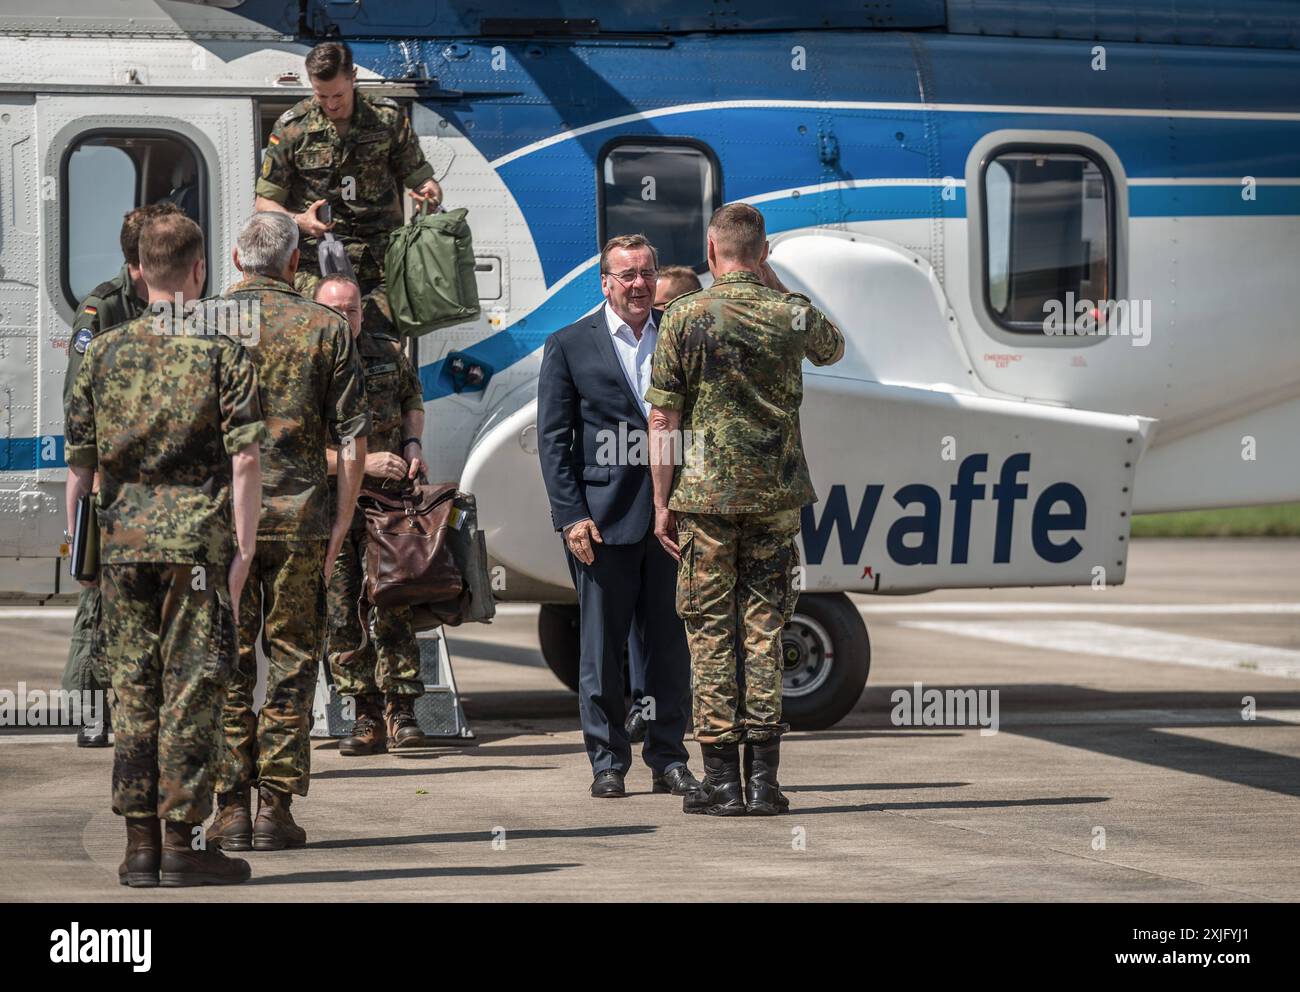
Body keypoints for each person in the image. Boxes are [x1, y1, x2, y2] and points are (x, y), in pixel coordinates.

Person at [64, 211, 266, 886]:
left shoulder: (103, 351)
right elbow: (245, 465)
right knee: (191, 691)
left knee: (132, 692)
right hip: (196, 550)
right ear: (199, 271)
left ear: (141, 271)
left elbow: (81, 470)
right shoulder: (223, 351)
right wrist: (241, 552)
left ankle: (139, 847)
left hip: (122, 550)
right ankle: (181, 843)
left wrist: (81, 555)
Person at [645, 203, 845, 816]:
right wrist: (773, 281)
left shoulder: (683, 316)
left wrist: (660, 500)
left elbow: (663, 419)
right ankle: (764, 783)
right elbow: (832, 348)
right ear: (762, 254)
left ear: (710, 252)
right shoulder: (789, 313)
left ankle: (722, 782)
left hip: (705, 499)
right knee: (763, 630)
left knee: (709, 632)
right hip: (776, 498)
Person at [207, 213, 370, 853]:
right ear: (295, 265)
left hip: (223, 525)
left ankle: (230, 809)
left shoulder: (203, 323)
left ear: (237, 259)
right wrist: (342, 519)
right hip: (302, 522)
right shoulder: (326, 327)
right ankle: (275, 807)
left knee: (226, 661)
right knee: (295, 662)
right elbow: (354, 439)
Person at [537, 234, 698, 800]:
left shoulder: (677, 331)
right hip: (600, 523)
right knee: (601, 653)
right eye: (626, 274)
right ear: (605, 282)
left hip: (671, 519)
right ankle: (607, 762)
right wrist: (570, 516)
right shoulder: (569, 344)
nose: (638, 284)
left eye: (646, 273)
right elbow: (553, 441)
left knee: (668, 649)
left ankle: (669, 759)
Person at [62, 201, 184, 748]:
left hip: (154, 482)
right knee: (95, 606)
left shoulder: (170, 306)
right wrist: (86, 484)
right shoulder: (103, 308)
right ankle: (92, 713)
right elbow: (78, 399)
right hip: (107, 478)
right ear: (137, 260)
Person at [254, 39, 442, 335]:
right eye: (321, 95)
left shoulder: (386, 118)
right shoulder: (293, 128)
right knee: (321, 344)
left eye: (338, 95)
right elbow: (264, 204)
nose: (331, 104)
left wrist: (428, 192)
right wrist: (301, 221)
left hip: (378, 262)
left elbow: (421, 178)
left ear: (353, 76)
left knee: (381, 351)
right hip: (317, 263)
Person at [316, 273, 430, 755]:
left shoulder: (386, 351)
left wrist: (412, 444)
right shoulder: (304, 360)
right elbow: (289, 444)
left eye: (353, 310)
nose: (345, 319)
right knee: (343, 611)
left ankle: (402, 711)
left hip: (387, 506)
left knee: (393, 602)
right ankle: (363, 715)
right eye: (335, 311)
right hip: (329, 506)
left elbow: (412, 399)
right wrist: (360, 465)